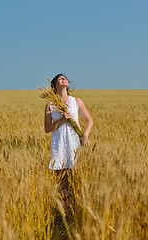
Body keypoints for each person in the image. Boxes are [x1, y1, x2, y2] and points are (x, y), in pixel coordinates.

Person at [44, 74, 93, 208]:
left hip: (74, 142)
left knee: (77, 177)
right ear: (55, 85)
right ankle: (65, 210)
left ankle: (78, 207)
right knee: (62, 180)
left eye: (64, 78)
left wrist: (85, 136)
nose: (63, 79)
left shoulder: (76, 101)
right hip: (59, 144)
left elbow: (89, 120)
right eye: (60, 78)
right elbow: (47, 128)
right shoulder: (50, 105)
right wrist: (62, 120)